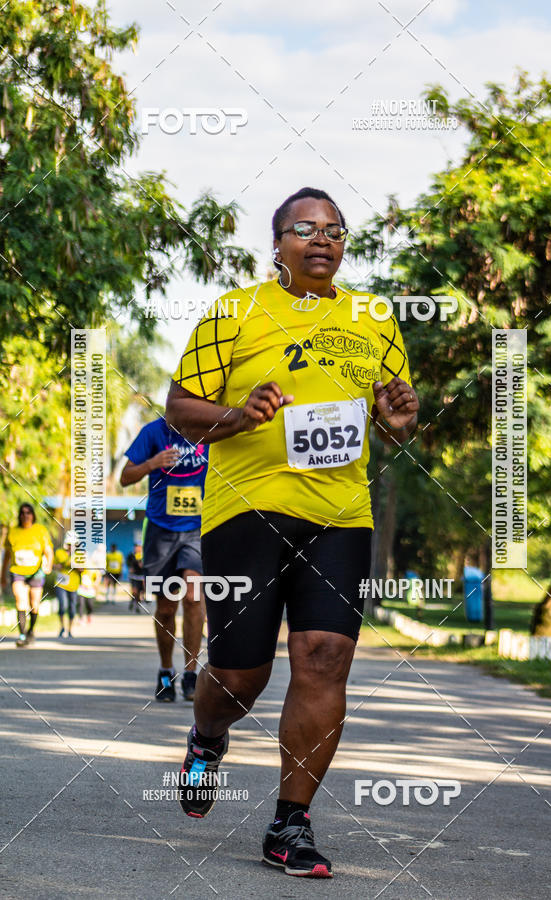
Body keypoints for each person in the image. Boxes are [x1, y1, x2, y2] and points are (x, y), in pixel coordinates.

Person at [166, 187, 419, 878]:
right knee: (240, 675)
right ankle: (207, 734)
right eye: (304, 228)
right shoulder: (235, 311)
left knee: (325, 657)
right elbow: (179, 408)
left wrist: (401, 421)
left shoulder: (373, 318)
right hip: (245, 509)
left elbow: (394, 419)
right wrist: (239, 415)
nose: (321, 239)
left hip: (340, 514)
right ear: (276, 244)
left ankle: (290, 823)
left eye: (334, 229)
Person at [120, 418, 208, 702]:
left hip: (197, 528)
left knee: (193, 597)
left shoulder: (208, 429)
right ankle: (166, 671)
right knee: (166, 608)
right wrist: (152, 463)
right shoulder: (153, 432)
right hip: (161, 529)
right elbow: (125, 477)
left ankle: (191, 673)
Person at [1, 502, 53, 647]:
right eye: (22, 513)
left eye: (28, 512)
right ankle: (22, 635)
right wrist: (2, 576)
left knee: (34, 604)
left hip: (36, 572)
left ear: (33, 515)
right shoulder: (13, 532)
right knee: (20, 601)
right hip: (17, 572)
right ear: (19, 515)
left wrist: (48, 565)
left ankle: (31, 631)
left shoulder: (40, 530)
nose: (25, 515)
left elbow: (48, 551)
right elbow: (7, 556)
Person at [53, 532, 80, 638]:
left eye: (73, 544)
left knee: (72, 608)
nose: (70, 546)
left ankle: (70, 629)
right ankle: (62, 627)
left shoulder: (80, 554)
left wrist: (75, 566)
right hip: (61, 583)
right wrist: (59, 566)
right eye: (69, 544)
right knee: (62, 605)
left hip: (73, 585)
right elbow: (53, 565)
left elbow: (82, 569)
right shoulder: (59, 552)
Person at [126, 543, 144, 613]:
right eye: (136, 547)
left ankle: (133, 602)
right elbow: (128, 563)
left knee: (140, 592)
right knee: (135, 591)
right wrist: (130, 567)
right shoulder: (131, 555)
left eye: (139, 547)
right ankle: (136, 605)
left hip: (141, 577)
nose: (137, 549)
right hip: (133, 577)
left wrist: (142, 565)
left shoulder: (143, 556)